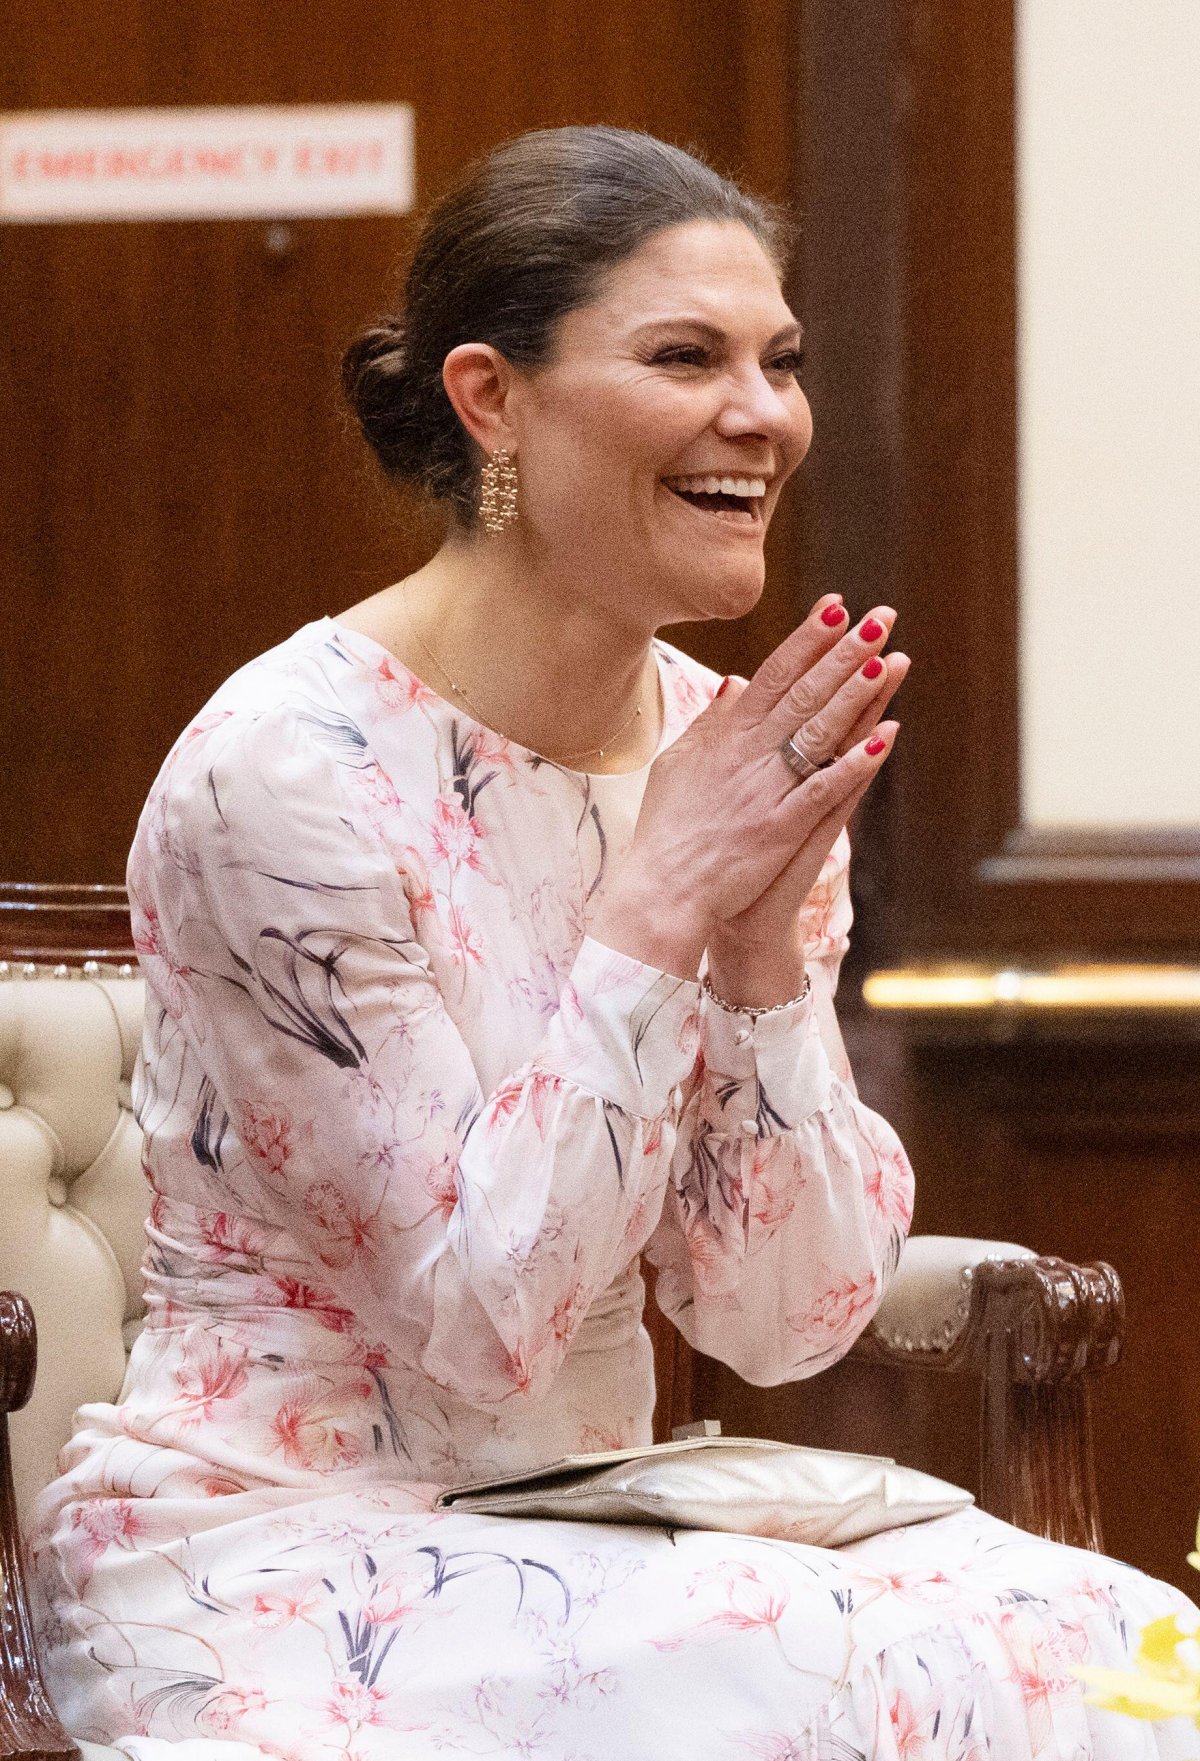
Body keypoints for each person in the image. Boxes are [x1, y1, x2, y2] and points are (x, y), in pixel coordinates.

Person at [31, 126, 1197, 1761]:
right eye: (685, 356)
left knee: (1130, 1649)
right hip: (274, 1547)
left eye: (779, 361)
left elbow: (786, 1320)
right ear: (492, 399)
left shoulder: (729, 746)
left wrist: (758, 959)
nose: (763, 415)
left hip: (601, 1530)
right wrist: (659, 906)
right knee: (840, 1673)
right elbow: (482, 1320)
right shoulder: (284, 770)